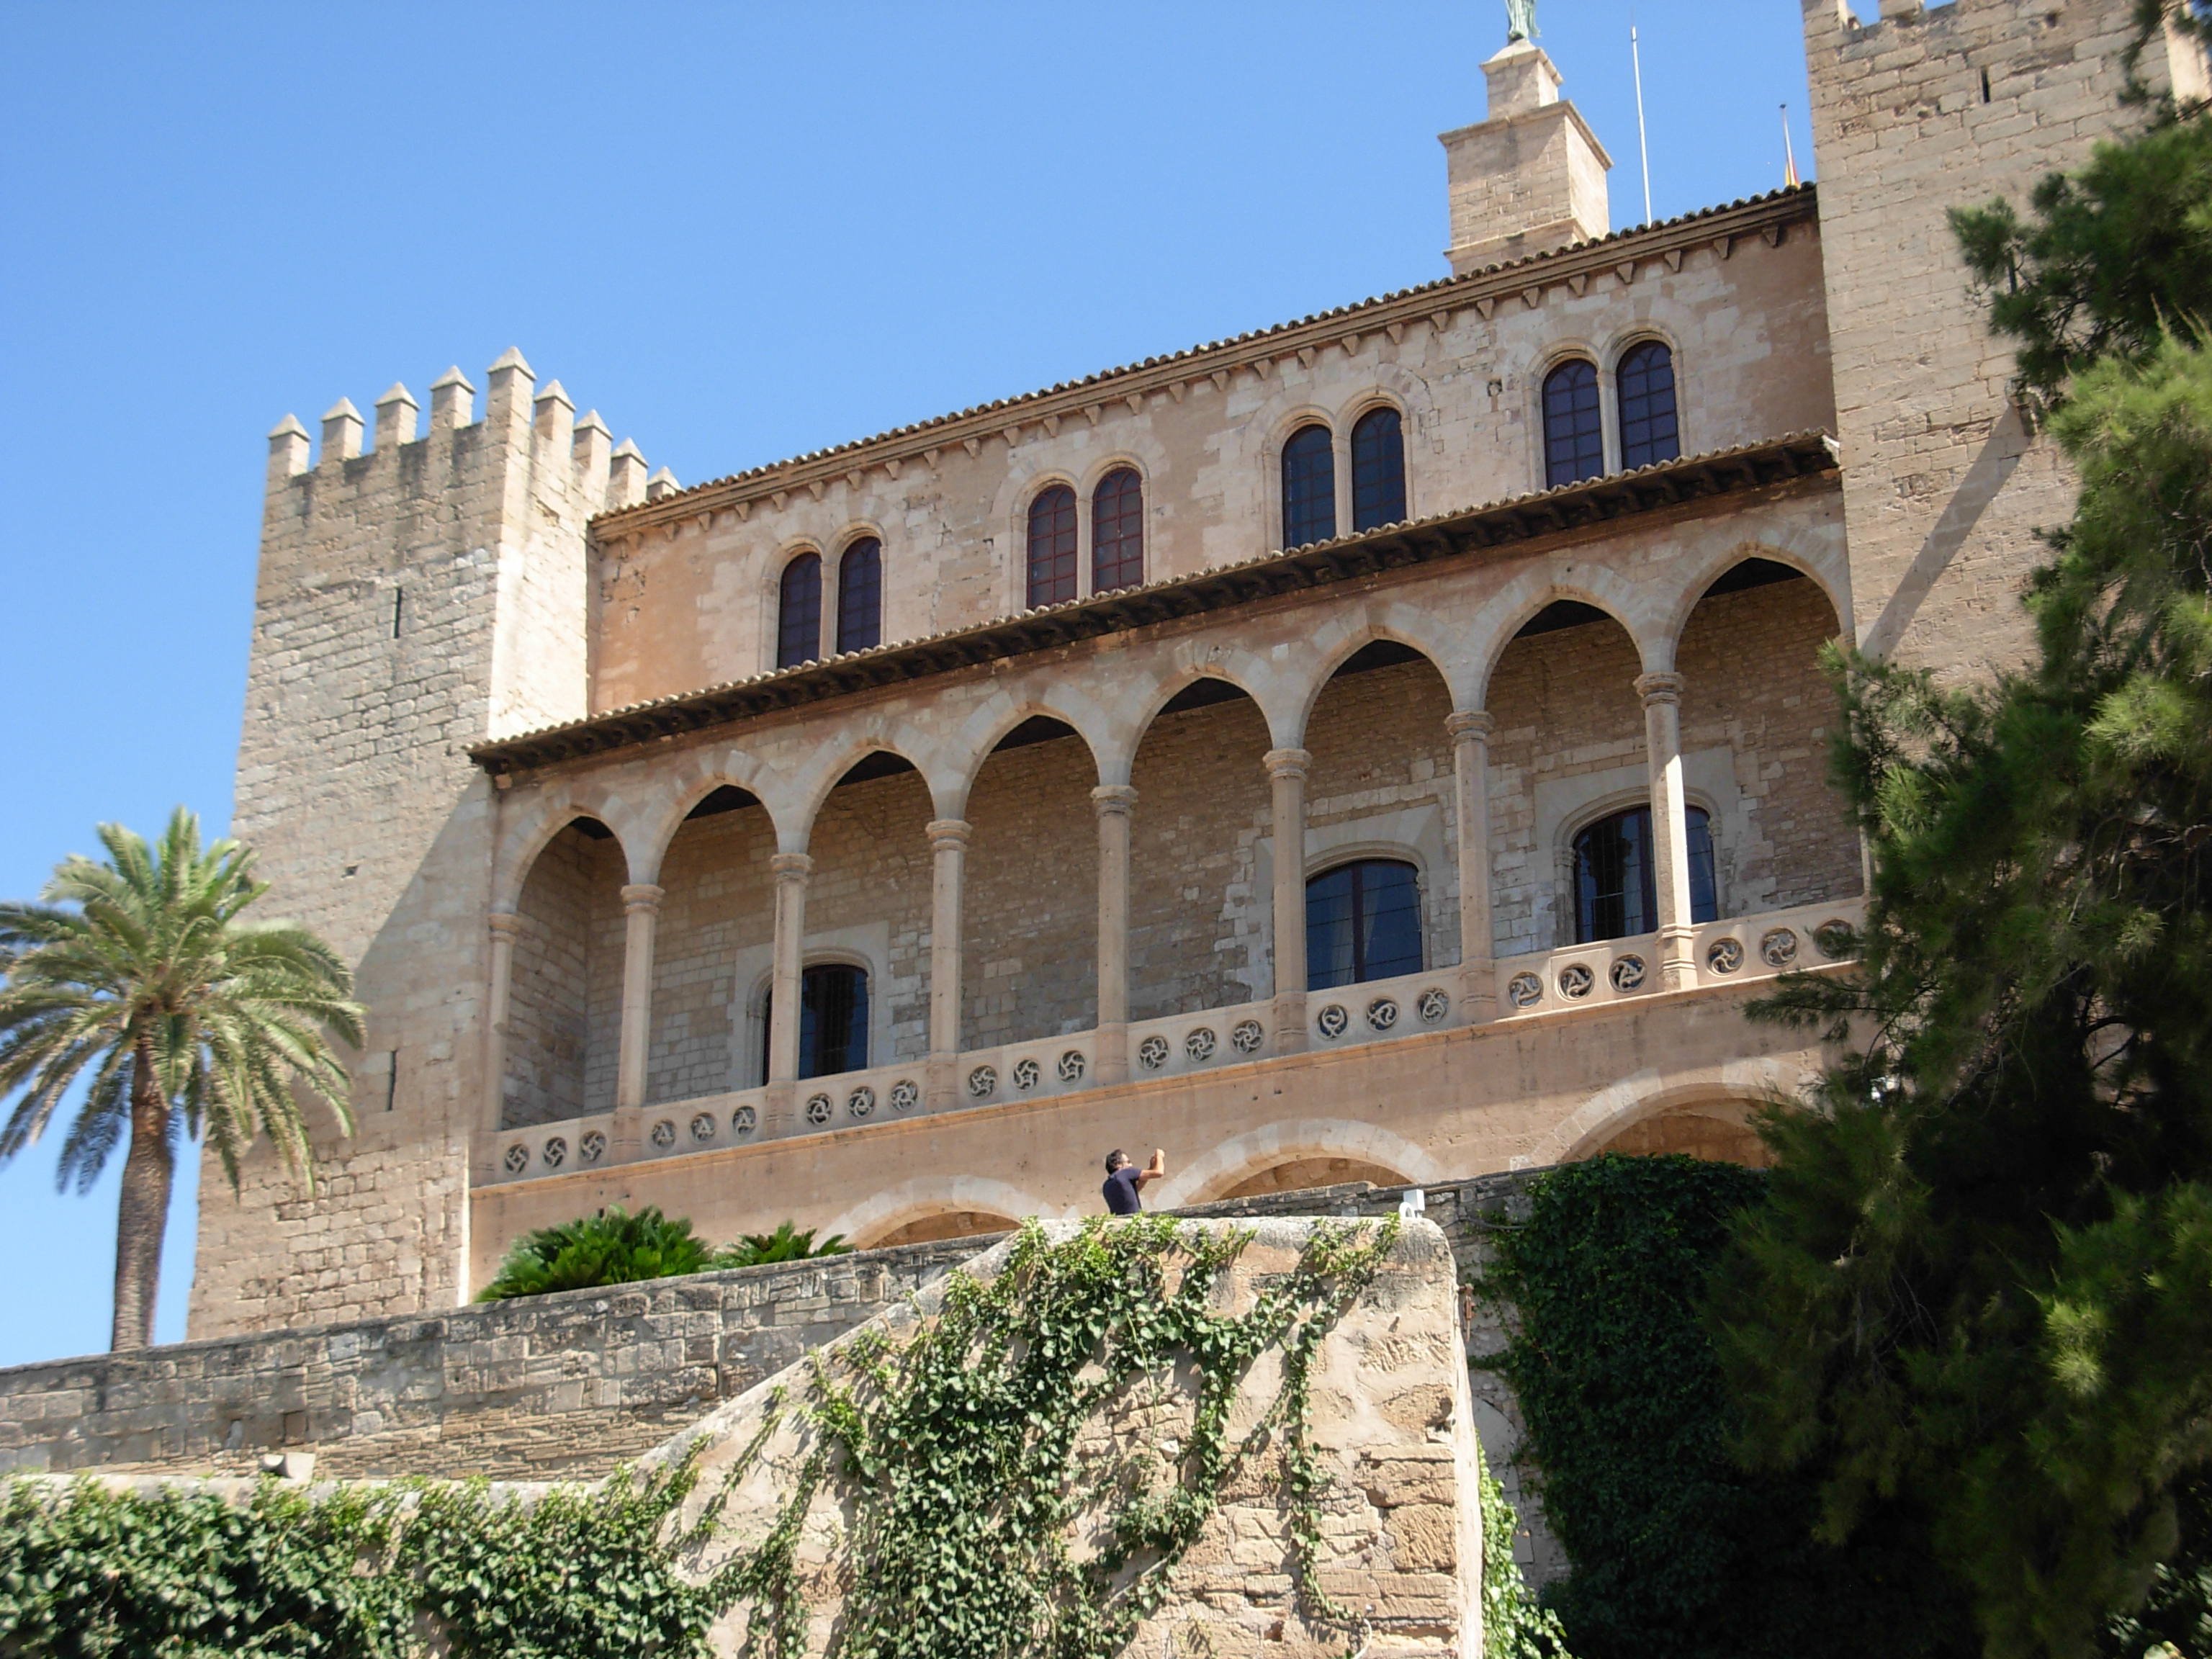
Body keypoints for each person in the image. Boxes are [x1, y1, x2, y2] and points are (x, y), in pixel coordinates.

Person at [1102, 1147, 1166, 1215]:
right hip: (1134, 1219)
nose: (1131, 1165)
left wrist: (1151, 1168)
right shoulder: (1126, 1172)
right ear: (1118, 1164)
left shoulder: (1107, 1184)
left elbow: (1133, 1191)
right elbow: (1159, 1172)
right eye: (1128, 1162)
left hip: (1120, 1220)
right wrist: (1159, 1156)